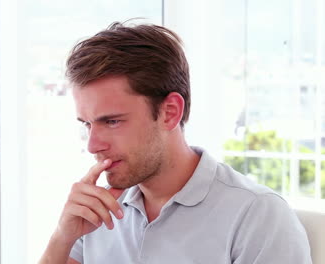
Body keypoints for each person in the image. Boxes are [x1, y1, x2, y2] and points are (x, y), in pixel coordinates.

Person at [39, 21, 312, 264]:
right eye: (87, 124)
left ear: (170, 112)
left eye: (112, 122)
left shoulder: (258, 216)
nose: (93, 145)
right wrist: (62, 237)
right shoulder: (97, 211)